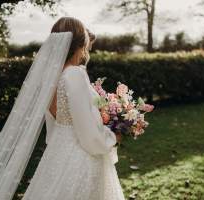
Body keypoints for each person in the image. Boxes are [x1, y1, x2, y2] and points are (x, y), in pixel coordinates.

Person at [21, 17, 126, 200]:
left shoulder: (52, 76)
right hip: (80, 155)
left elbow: (55, 118)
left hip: (57, 150)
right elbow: (85, 128)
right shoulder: (74, 74)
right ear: (81, 42)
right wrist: (111, 138)